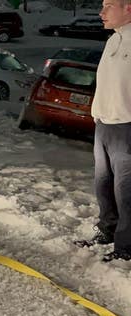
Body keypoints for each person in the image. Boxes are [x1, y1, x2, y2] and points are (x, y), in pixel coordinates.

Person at [74, 0, 131, 262]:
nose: (101, 12)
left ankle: (126, 246)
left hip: (126, 127)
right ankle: (106, 230)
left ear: (128, 8)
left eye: (108, 6)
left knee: (126, 189)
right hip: (103, 124)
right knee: (103, 185)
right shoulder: (112, 42)